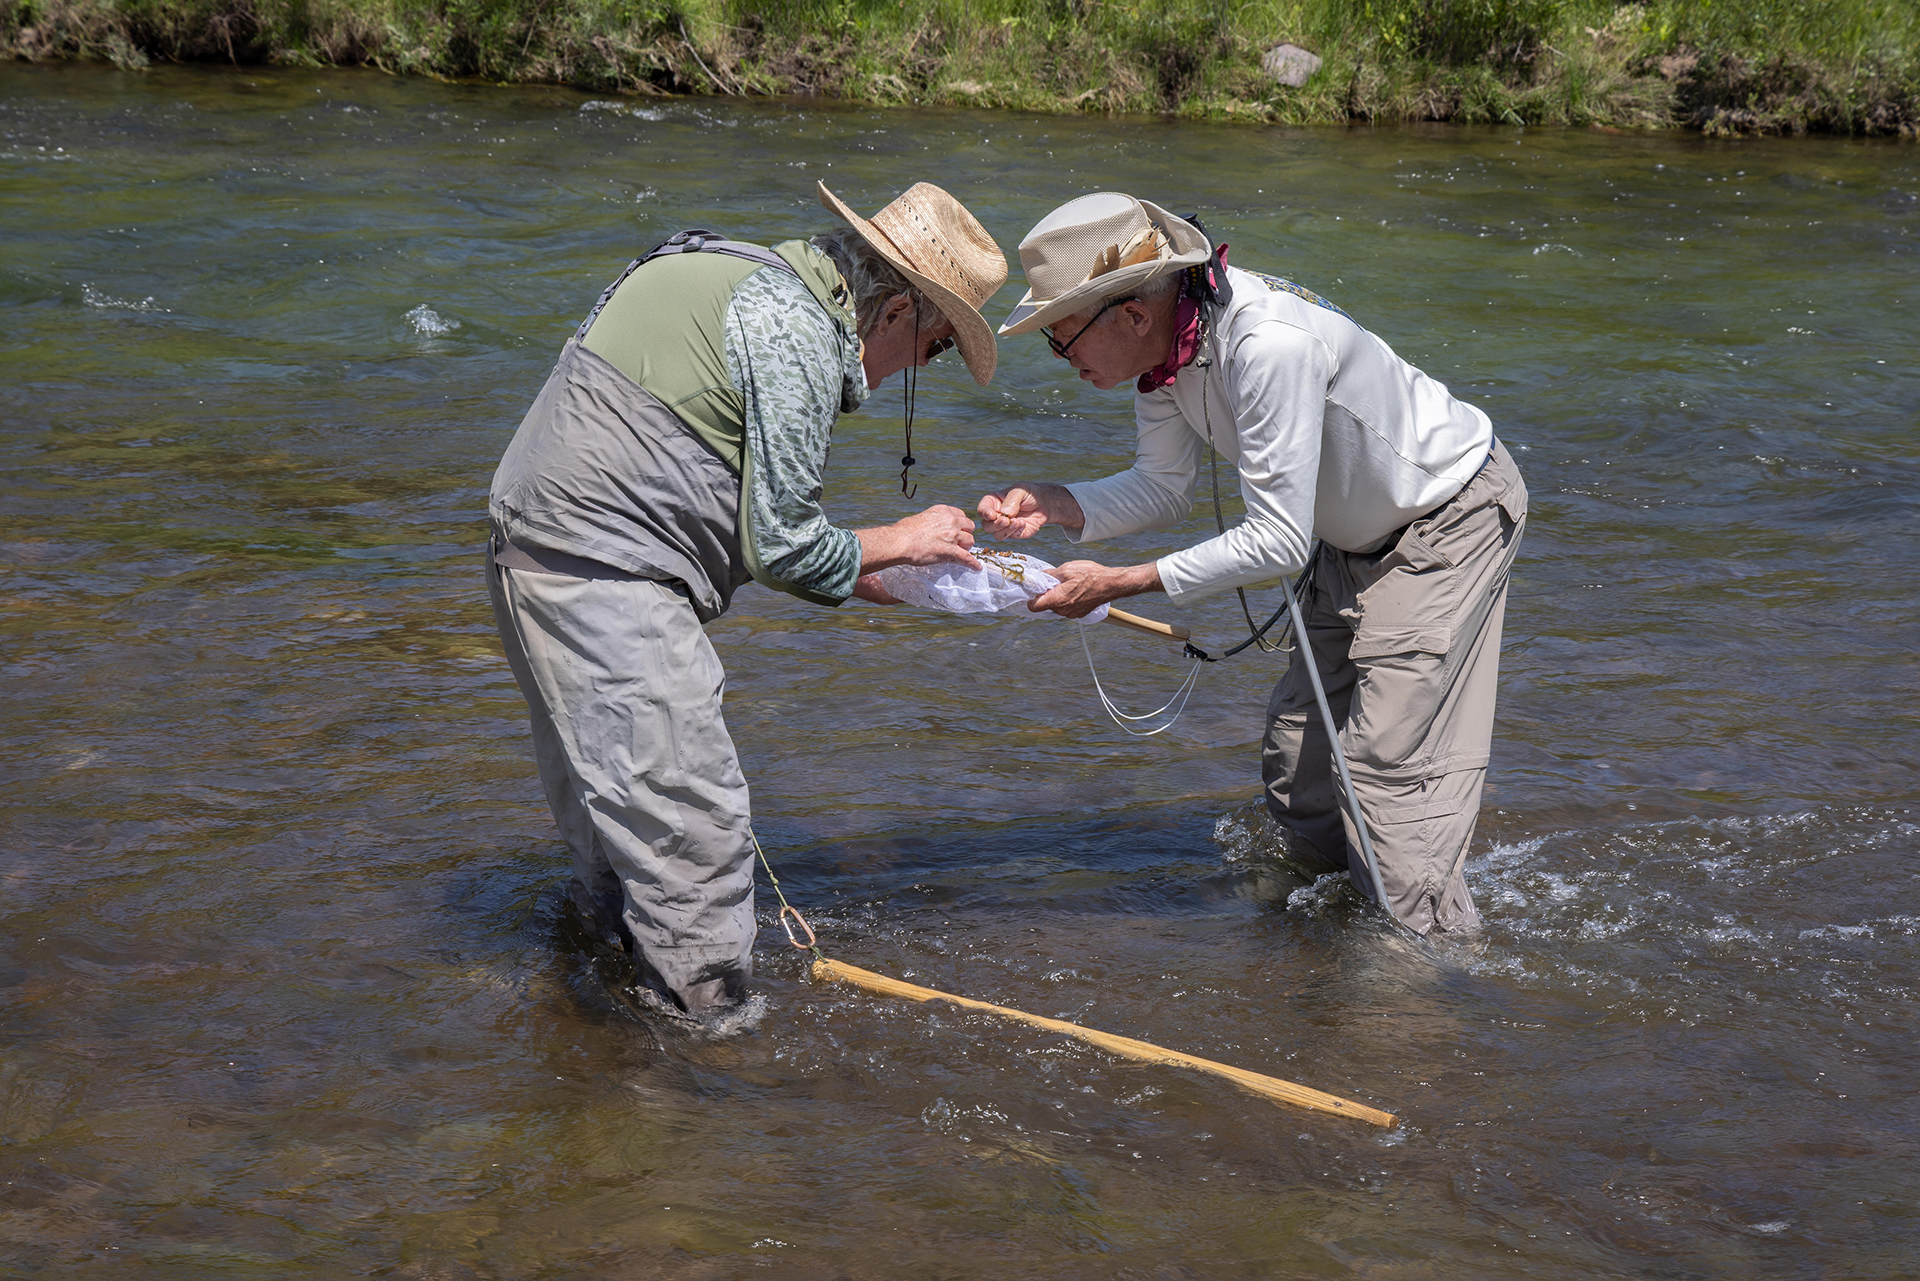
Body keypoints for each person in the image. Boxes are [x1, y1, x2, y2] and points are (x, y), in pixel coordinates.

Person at [488, 182, 1006, 1021]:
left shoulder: (738, 273)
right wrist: (905, 538)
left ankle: (605, 1037)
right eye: (940, 346)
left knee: (618, 826)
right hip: (604, 573)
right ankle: (712, 1065)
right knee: (697, 837)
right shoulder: (795, 332)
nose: (922, 366)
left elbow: (729, 513)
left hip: (534, 553)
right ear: (900, 311)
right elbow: (784, 545)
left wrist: (902, 578)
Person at [977, 192, 1526, 936]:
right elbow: (1163, 487)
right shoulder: (1168, 352)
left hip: (1445, 521)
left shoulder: (1266, 345)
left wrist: (1125, 581)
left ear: (1132, 315)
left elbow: (1276, 543)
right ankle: (1320, 927)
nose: (1062, 360)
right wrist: (1059, 501)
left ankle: (1418, 971)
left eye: (1062, 339)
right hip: (1347, 535)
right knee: (1300, 756)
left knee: (1379, 769)